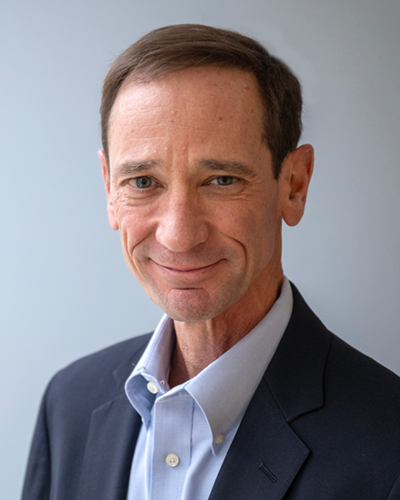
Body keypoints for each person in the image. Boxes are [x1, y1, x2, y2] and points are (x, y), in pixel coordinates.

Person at [22, 24, 400, 500]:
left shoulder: (389, 446)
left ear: (294, 185)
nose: (179, 235)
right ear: (108, 189)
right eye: (142, 181)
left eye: (221, 180)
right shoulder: (69, 406)